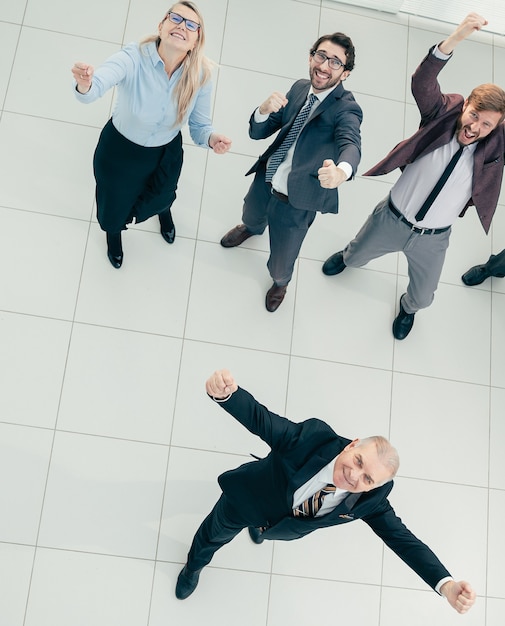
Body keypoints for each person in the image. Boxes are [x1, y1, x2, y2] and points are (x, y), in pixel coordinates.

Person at [175, 369, 476, 614]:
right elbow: (263, 421)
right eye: (358, 461)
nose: (353, 476)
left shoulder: (372, 502)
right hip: (246, 500)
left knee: (262, 528)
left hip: (284, 524)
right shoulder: (311, 438)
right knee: (211, 536)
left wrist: (446, 585)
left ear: (378, 486)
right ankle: (193, 567)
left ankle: (260, 529)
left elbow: (404, 541)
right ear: (351, 444)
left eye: (368, 478)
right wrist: (226, 395)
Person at [322, 13, 505, 339]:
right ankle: (347, 257)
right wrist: (458, 36)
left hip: (434, 240)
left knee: (424, 295)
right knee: (356, 255)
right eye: (474, 115)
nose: (475, 127)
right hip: (391, 219)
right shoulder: (441, 116)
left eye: (486, 124)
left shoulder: (494, 150)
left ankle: (408, 309)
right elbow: (423, 81)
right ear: (466, 107)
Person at [72, 2, 231, 268]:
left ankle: (163, 213)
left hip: (164, 152)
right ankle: (114, 236)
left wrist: (212, 139)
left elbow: (200, 126)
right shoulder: (133, 57)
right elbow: (97, 85)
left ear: (196, 40)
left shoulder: (201, 73)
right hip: (120, 152)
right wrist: (86, 83)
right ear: (161, 26)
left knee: (162, 194)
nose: (182, 26)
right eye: (176, 18)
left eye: (191, 25)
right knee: (114, 202)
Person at [219, 32, 362, 312]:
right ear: (311, 57)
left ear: (345, 74)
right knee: (250, 213)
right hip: (267, 177)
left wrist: (342, 171)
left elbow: (351, 143)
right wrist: (262, 110)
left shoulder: (347, 109)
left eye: (335, 62)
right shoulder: (299, 88)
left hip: (297, 199)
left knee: (283, 258)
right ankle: (252, 228)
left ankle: (280, 282)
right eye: (321, 56)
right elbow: (258, 132)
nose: (324, 66)